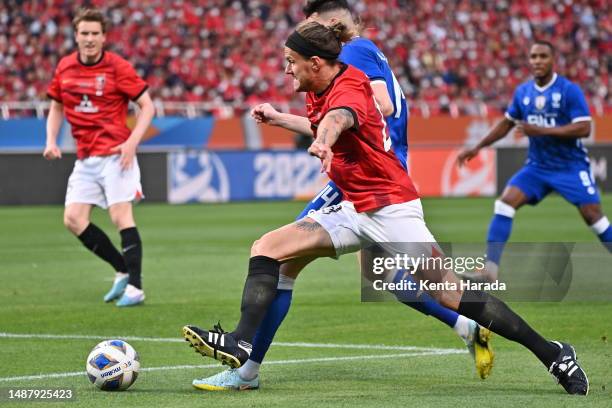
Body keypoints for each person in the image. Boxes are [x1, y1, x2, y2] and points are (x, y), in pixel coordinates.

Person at [182, 21, 589, 395]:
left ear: (316, 62)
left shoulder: (347, 90)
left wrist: (324, 141)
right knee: (268, 248)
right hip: (351, 206)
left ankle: (554, 353)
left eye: (291, 62)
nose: (286, 69)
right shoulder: (318, 87)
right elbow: (323, 121)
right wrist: (278, 118)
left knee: (451, 294)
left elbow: (337, 119)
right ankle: (241, 345)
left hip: (391, 208)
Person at [457, 41, 611, 282]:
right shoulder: (523, 92)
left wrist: (540, 130)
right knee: (505, 203)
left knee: (594, 216)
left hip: (570, 167)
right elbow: (507, 123)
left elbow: (584, 127)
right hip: (537, 168)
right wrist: (478, 147)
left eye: (542, 56)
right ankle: (490, 270)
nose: (537, 61)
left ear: (552, 60)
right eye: (533, 56)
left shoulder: (568, 90)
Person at [43, 8, 154, 307]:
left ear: (104, 37)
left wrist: (132, 143)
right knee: (73, 219)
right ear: (76, 36)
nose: (89, 39)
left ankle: (136, 287)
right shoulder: (65, 68)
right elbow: (56, 107)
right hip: (86, 157)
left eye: (95, 34)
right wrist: (51, 140)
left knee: (121, 216)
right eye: (84, 33)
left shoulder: (118, 67)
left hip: (117, 155)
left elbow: (148, 106)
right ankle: (122, 268)